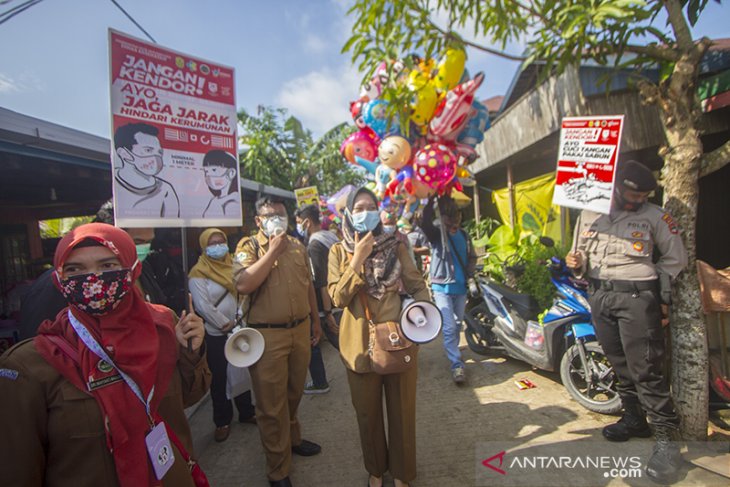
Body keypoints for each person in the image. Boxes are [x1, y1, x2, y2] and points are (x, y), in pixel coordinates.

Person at [0, 223, 210, 486]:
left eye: (108, 266)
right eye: (75, 269)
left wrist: (191, 352)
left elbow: (186, 398)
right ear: (59, 279)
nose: (93, 279)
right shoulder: (30, 365)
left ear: (133, 270)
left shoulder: (164, 329)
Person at [565, 160, 688, 484]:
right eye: (633, 195)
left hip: (637, 299)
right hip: (600, 295)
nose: (638, 201)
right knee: (619, 362)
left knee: (646, 367)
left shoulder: (655, 216)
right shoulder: (589, 214)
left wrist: (655, 287)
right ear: (617, 187)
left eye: (644, 195)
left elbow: (676, 258)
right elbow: (579, 258)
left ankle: (667, 443)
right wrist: (575, 263)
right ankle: (634, 419)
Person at [328, 187, 430, 487]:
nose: (365, 212)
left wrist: (426, 315)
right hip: (358, 346)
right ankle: (375, 469)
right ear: (348, 214)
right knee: (367, 414)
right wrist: (357, 258)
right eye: (358, 208)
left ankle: (402, 473)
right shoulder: (338, 251)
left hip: (399, 341)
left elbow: (416, 283)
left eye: (370, 206)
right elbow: (337, 297)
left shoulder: (395, 245)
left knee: (402, 411)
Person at [234, 196, 323, 487]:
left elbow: (308, 284)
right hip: (267, 335)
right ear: (258, 220)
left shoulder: (298, 245)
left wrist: (316, 320)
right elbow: (244, 283)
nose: (278, 220)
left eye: (281, 215)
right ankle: (278, 471)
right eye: (271, 215)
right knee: (271, 406)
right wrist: (272, 250)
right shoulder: (248, 247)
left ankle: (292, 441)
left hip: (300, 330)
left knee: (294, 394)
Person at [189, 228, 255, 443]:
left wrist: (238, 317)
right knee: (219, 377)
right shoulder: (198, 273)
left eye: (221, 241)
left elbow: (242, 291)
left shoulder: (233, 265)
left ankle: (246, 411)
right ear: (203, 247)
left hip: (238, 326)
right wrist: (224, 323)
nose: (218, 246)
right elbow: (202, 305)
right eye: (212, 243)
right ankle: (222, 420)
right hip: (216, 333)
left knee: (243, 370)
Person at [421, 195, 476, 384]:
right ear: (442, 217)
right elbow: (424, 223)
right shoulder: (437, 235)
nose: (453, 219)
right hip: (441, 287)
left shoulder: (465, 236)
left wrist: (470, 274)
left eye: (456, 215)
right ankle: (456, 364)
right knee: (450, 326)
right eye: (449, 216)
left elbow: (472, 257)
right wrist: (429, 202)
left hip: (460, 288)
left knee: (458, 324)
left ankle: (453, 348)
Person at [295, 204, 340, 395]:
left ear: (307, 222)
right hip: (338, 296)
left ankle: (320, 382)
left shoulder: (314, 245)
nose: (297, 226)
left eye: (298, 222)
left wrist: (327, 312)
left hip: (325, 304)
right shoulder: (330, 236)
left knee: (335, 341)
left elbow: (320, 281)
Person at [114, 122, 180, 218]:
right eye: (148, 150)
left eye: (159, 152)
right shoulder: (114, 187)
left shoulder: (166, 190)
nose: (156, 157)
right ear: (124, 153)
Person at [202, 150, 239, 218]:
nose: (209, 175)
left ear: (231, 173)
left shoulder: (232, 201)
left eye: (214, 170)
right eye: (206, 171)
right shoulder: (214, 200)